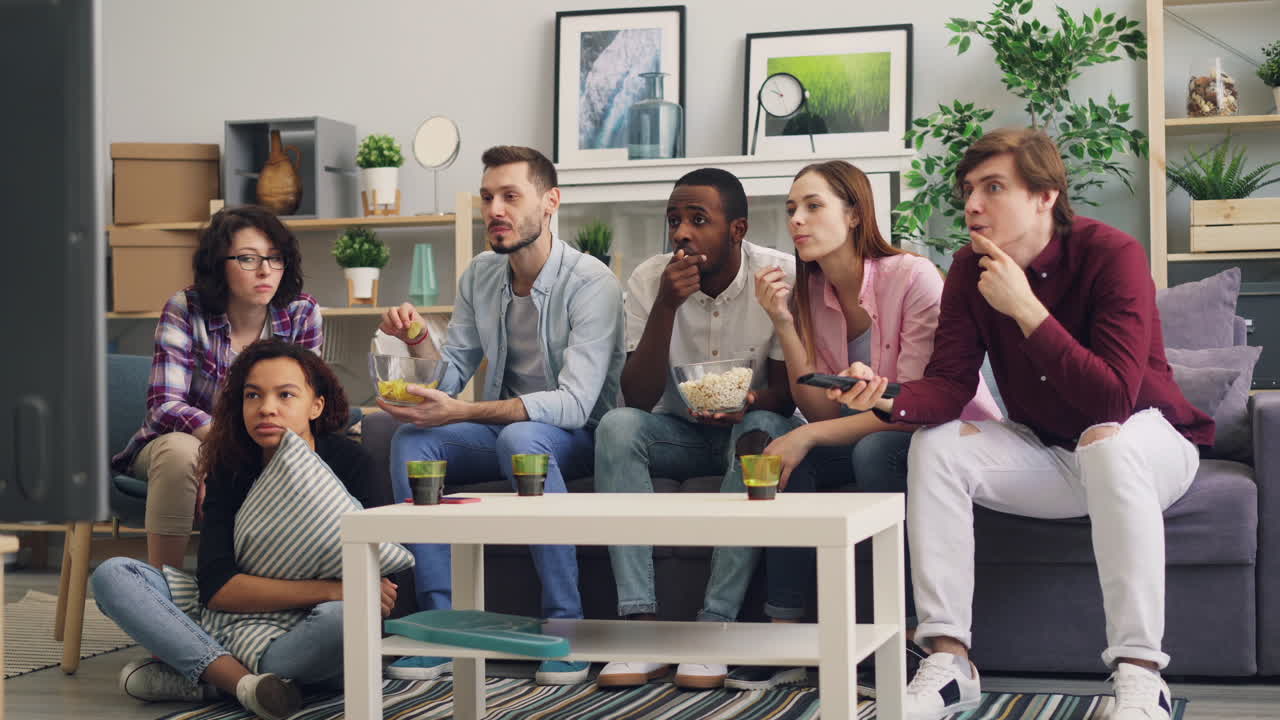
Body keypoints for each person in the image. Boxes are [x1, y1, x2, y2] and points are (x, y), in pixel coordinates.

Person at [828, 128, 1211, 720]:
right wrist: (884, 398)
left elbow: (1111, 399)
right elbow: (951, 386)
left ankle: (1140, 674)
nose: (972, 205)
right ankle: (950, 661)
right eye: (968, 190)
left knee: (1106, 443)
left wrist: (1025, 308)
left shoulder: (1113, 255)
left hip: (1147, 443)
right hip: (1054, 453)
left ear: (1045, 196)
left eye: (993, 188)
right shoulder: (967, 267)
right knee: (936, 447)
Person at [721, 161, 1001, 691]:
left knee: (864, 453)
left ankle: (913, 637)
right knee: (788, 462)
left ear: (854, 213)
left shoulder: (913, 278)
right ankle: (787, 636)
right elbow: (823, 409)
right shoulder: (811, 290)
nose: (796, 221)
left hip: (944, 434)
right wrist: (782, 320)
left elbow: (920, 406)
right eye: (790, 210)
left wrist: (803, 434)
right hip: (865, 431)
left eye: (812, 206)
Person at [377, 145, 625, 686]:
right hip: (502, 427)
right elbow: (449, 375)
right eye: (489, 197)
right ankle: (439, 628)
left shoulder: (592, 284)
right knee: (411, 442)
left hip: (577, 434)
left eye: (511, 196)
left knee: (521, 439)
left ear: (550, 202)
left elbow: (576, 403)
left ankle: (566, 628)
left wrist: (463, 409)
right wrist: (418, 342)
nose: (496, 209)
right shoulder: (480, 276)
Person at [93, 340, 386, 720]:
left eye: (285, 395)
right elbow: (217, 590)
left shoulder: (352, 463)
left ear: (317, 405)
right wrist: (332, 588)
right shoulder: (231, 464)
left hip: (303, 630)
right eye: (253, 395)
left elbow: (380, 584)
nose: (266, 408)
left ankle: (207, 676)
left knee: (344, 618)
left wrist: (344, 595)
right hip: (228, 618)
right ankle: (246, 686)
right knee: (114, 575)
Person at [591, 168, 799, 690]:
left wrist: (747, 400)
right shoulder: (649, 279)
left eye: (698, 220)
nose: (681, 232)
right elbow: (636, 397)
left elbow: (787, 394)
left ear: (737, 229)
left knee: (764, 424)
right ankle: (640, 626)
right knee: (617, 427)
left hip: (747, 427)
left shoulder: (779, 275)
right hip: (677, 434)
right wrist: (666, 305)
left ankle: (715, 626)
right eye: (674, 220)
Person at [111, 206, 321, 570]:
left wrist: (237, 453)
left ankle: (276, 592)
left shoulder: (302, 313)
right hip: (183, 442)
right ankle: (166, 591)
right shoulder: (185, 308)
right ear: (217, 264)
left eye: (275, 258)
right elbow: (164, 406)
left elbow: (302, 405)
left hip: (265, 441)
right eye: (247, 259)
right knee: (181, 454)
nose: (265, 270)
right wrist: (219, 447)